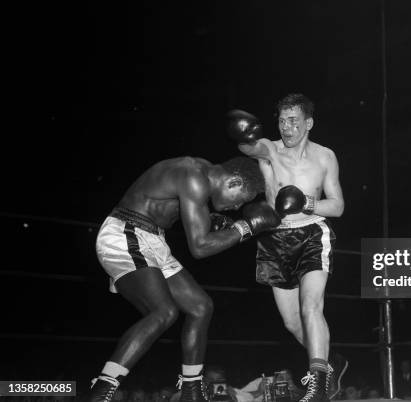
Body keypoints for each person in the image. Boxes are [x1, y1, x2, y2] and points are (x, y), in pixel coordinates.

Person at [88, 156, 280, 402]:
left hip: (151, 239)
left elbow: (182, 217)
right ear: (234, 182)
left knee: (201, 307)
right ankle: (102, 389)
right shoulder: (193, 177)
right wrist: (246, 226)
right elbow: (200, 247)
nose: (236, 207)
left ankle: (191, 390)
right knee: (163, 311)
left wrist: (215, 222)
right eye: (240, 199)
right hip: (125, 233)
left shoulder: (201, 177)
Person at [227, 93, 346, 402]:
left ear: (308, 122)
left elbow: (338, 206)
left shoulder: (325, 156)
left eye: (293, 121)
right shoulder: (269, 149)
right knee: (292, 322)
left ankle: (317, 383)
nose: (286, 128)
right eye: (281, 121)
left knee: (311, 307)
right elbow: (248, 146)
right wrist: (242, 133)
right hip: (274, 238)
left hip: (312, 234)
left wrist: (306, 202)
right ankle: (332, 364)